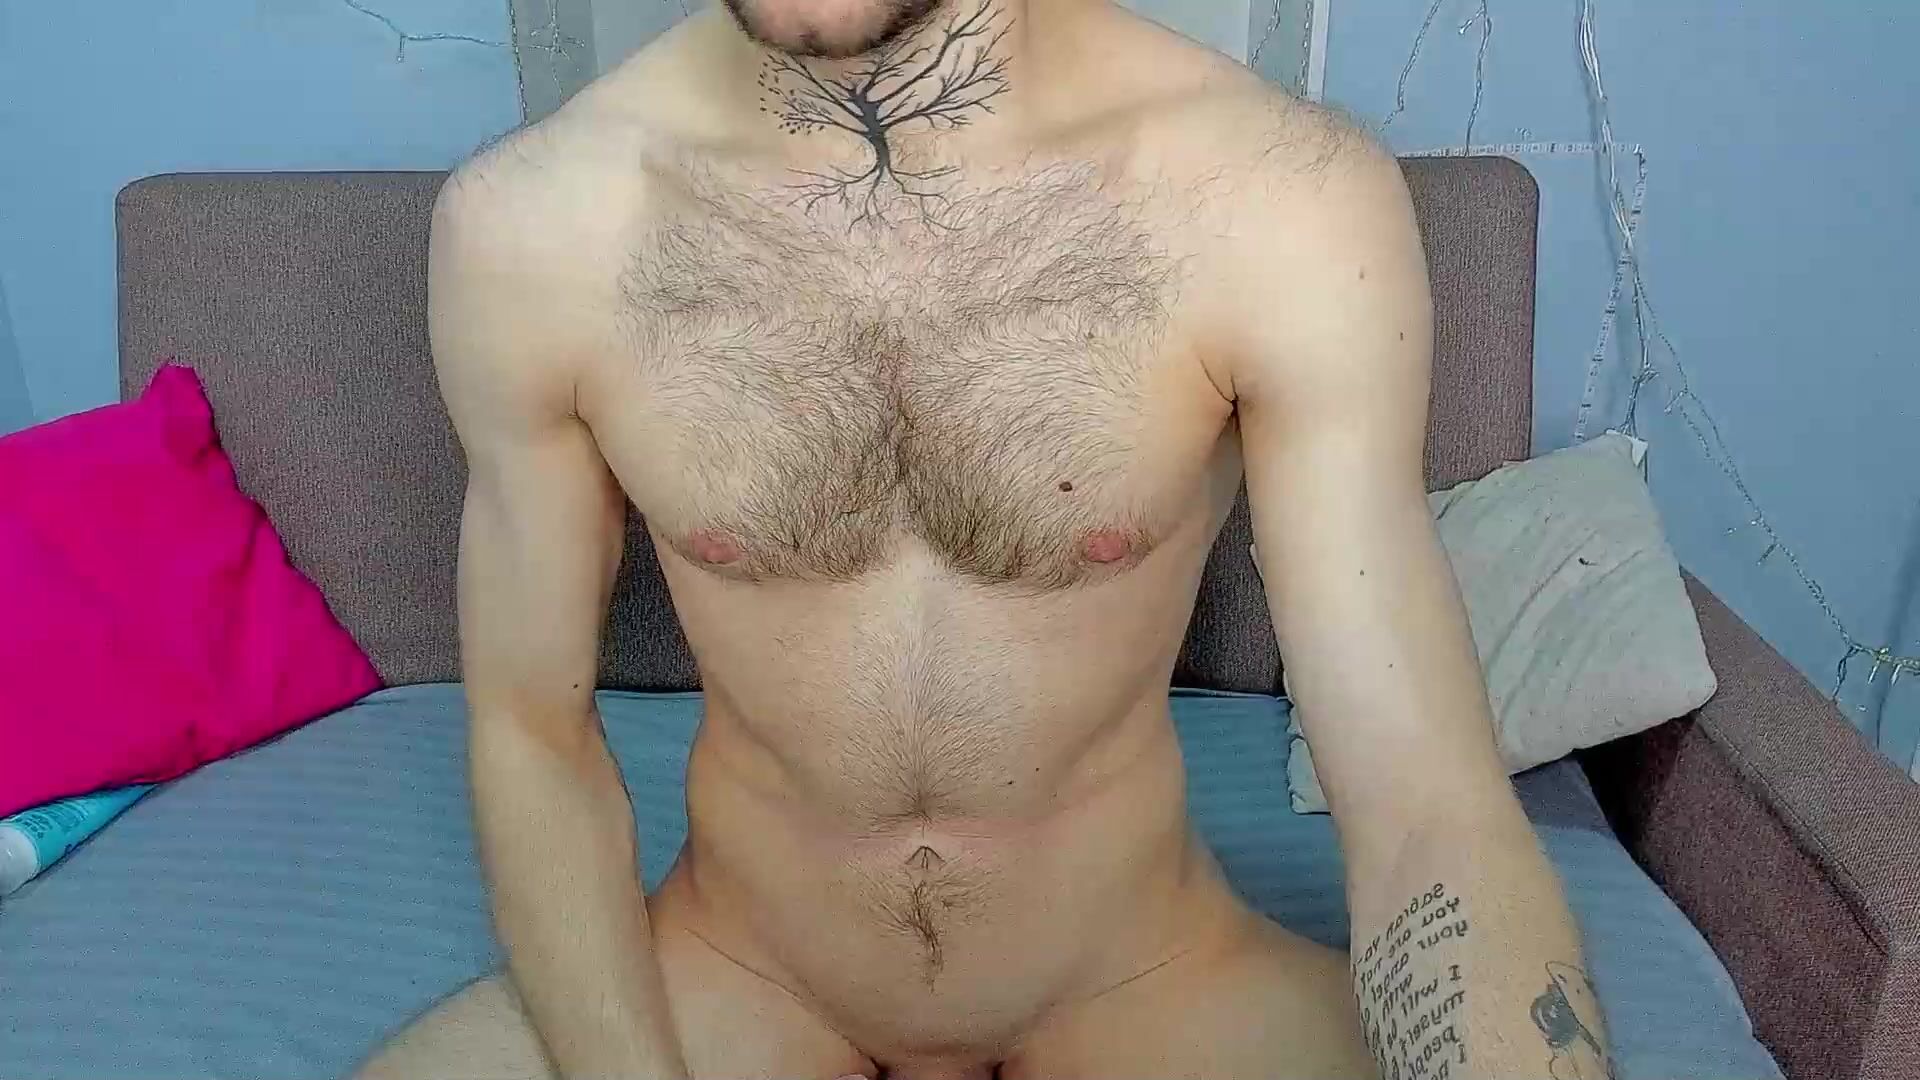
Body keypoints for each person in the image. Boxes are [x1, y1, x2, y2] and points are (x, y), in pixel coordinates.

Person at [358, 0, 1616, 1077]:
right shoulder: (539, 225)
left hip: (1148, 975)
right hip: (743, 970)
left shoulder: (1277, 198)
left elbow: (1420, 801)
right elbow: (532, 732)